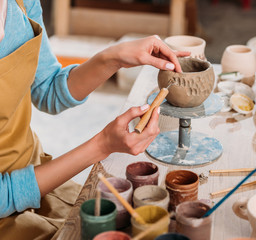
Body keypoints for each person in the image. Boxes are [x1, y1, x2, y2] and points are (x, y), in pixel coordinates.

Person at [0, 0, 189, 239]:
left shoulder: (22, 3)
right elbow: (4, 196)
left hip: (36, 172)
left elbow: (49, 91)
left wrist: (114, 58)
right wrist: (102, 145)